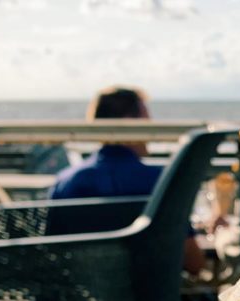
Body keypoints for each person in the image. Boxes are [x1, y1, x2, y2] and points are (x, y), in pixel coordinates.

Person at [49, 86, 208, 275]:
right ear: (130, 125)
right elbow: (194, 264)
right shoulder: (161, 182)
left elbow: (52, 256)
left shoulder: (66, 182)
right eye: (148, 121)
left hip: (79, 300)